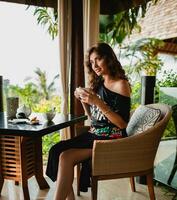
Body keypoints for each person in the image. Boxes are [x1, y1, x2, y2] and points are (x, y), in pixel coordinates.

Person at [46, 42, 131, 200]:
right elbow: (93, 119)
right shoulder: (99, 84)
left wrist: (97, 102)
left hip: (110, 140)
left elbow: (122, 124)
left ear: (109, 59)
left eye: (98, 59)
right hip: (94, 134)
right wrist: (85, 101)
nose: (95, 65)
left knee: (65, 157)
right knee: (56, 150)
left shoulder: (121, 85)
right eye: (92, 62)